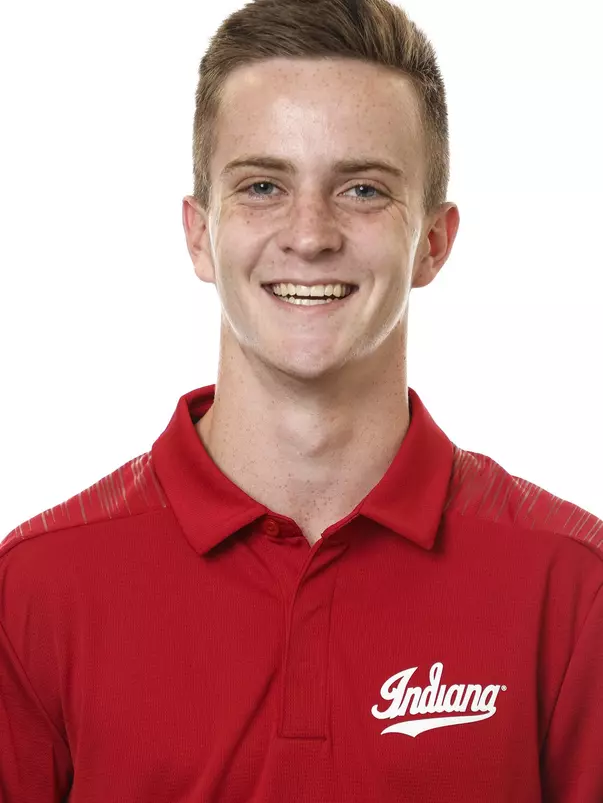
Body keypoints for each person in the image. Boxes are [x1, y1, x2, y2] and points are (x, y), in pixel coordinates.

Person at [1, 0, 602, 800]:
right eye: (261, 185)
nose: (310, 233)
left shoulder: (569, 583)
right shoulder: (38, 588)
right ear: (197, 234)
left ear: (432, 240)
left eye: (361, 188)